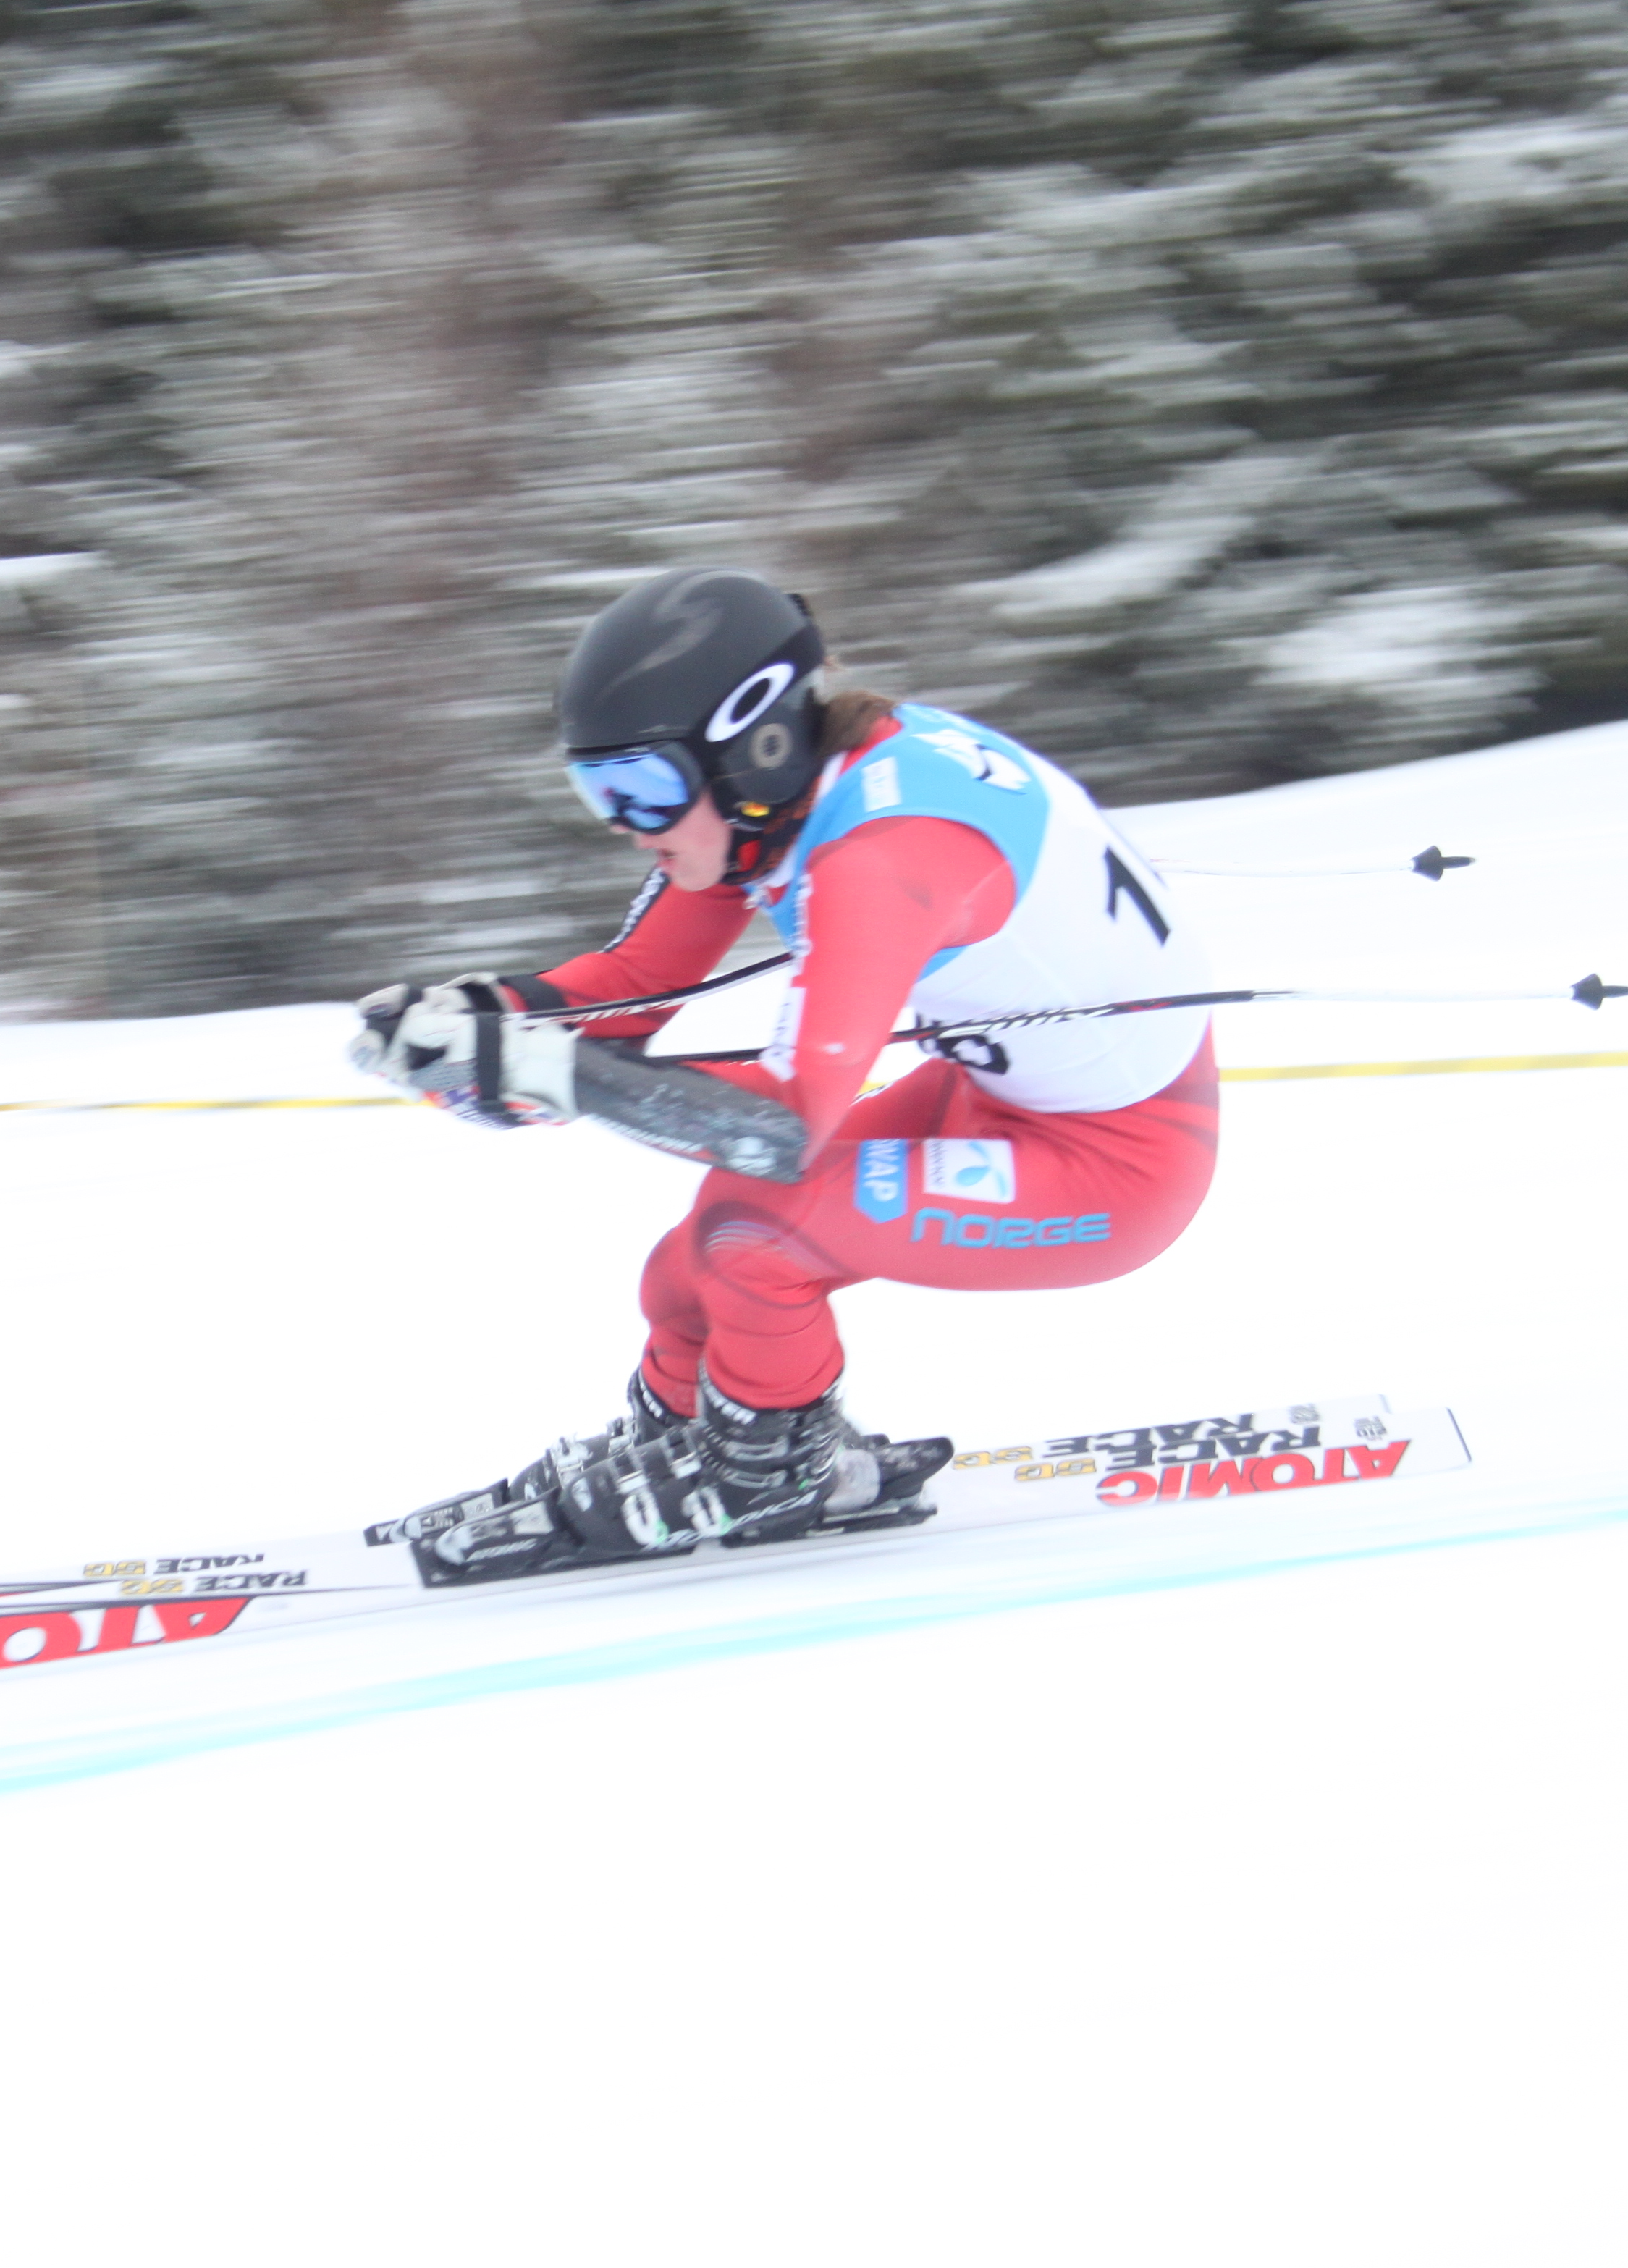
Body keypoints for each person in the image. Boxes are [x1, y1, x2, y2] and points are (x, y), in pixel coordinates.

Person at [350, 568, 1221, 1581]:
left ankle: (767, 1468)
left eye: (641, 789)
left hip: (1120, 1164)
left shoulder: (879, 854)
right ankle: (685, 1437)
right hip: (1001, 1098)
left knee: (754, 1241)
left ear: (753, 746)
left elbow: (780, 1133)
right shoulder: (783, 799)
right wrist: (479, 1017)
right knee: (686, 1266)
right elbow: (635, 986)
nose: (625, 824)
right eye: (597, 792)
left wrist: (546, 1072)